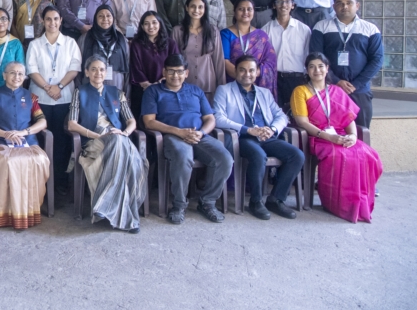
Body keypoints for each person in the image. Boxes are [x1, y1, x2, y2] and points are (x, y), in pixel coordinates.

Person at [142, 54, 233, 225]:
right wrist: (178, 132)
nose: (175, 76)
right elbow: (149, 121)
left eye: (179, 71)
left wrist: (202, 133)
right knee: (183, 157)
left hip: (198, 136)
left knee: (225, 158)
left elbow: (210, 118)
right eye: (171, 71)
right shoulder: (153, 91)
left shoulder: (196, 91)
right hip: (172, 136)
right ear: (164, 72)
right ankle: (179, 205)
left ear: (186, 73)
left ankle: (207, 202)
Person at [291, 52, 382, 222]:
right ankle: (336, 204)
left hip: (340, 135)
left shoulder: (337, 91)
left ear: (327, 69)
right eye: (312, 67)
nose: (317, 70)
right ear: (307, 70)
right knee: (339, 155)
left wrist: (353, 136)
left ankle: (359, 202)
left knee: (367, 154)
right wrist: (328, 137)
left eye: (320, 66)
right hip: (317, 138)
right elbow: (302, 122)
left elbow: (349, 118)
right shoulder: (300, 91)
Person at [213, 55, 304, 220]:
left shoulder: (264, 93)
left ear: (257, 73)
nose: (247, 74)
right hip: (242, 138)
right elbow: (218, 118)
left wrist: (272, 129)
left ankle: (276, 199)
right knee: (258, 155)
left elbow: (281, 116)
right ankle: (256, 201)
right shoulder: (224, 90)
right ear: (235, 71)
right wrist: (248, 130)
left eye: (251, 70)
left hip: (267, 137)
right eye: (242, 70)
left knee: (296, 155)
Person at [67, 56, 147, 232]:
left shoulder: (117, 93)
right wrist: (97, 135)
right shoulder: (80, 92)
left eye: (102, 69)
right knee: (128, 156)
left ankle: (104, 206)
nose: (98, 73)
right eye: (93, 69)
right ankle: (128, 217)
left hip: (119, 139)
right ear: (87, 72)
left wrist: (125, 133)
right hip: (94, 141)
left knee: (120, 144)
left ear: (106, 72)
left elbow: (131, 121)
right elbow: (72, 124)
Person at [0, 62, 50, 230]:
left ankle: (30, 211)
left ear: (25, 77)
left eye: (20, 74)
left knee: (40, 160)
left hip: (28, 143)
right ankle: (5, 214)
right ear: (4, 75)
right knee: (8, 162)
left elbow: (42, 121)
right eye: (12, 73)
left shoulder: (30, 97)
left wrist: (25, 132)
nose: (16, 77)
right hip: (1, 143)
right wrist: (4, 134)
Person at [26, 6, 82, 197]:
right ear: (42, 21)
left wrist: (59, 86)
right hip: (40, 99)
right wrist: (48, 88)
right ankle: (41, 181)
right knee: (41, 139)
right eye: (48, 19)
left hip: (64, 98)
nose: (52, 23)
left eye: (56, 19)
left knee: (62, 141)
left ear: (61, 21)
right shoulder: (35, 44)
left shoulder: (70, 43)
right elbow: (31, 70)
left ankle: (59, 182)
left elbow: (74, 68)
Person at [310, 0, 383, 128]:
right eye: (340, 3)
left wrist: (357, 84)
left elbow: (377, 59)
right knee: (330, 129)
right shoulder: (322, 26)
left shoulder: (370, 29)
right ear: (334, 7)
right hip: (329, 88)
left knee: (362, 130)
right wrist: (336, 81)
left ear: (357, 5)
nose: (344, 7)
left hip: (359, 90)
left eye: (349, 3)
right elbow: (316, 56)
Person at [263, 0, 311, 111]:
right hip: (274, 79)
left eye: (287, 1)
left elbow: (308, 56)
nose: (284, 5)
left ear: (292, 5)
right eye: (280, 1)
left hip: (297, 80)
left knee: (297, 115)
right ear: (274, 5)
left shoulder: (304, 30)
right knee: (275, 113)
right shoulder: (265, 30)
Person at [221, 0, 278, 98]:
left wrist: (251, 78)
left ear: (253, 12)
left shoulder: (261, 35)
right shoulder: (225, 34)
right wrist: (244, 80)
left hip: (257, 85)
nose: (245, 12)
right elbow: (225, 62)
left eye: (249, 9)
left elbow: (270, 62)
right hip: (233, 85)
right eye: (241, 9)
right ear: (234, 11)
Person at [171, 0, 225, 101]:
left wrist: (222, 87)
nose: (196, 10)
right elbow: (173, 60)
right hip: (184, 85)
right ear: (187, 8)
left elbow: (219, 61)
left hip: (208, 85)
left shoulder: (213, 31)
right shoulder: (177, 31)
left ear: (205, 9)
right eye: (193, 6)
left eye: (200, 7)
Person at [129, 11, 180, 120]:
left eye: (154, 22)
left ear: (160, 24)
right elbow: (135, 67)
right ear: (142, 26)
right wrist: (147, 85)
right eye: (146, 23)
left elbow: (175, 64)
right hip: (142, 89)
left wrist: (161, 82)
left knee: (164, 118)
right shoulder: (136, 44)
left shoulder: (170, 43)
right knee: (143, 120)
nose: (151, 26)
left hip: (165, 86)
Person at [77, 5, 130, 92]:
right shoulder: (85, 38)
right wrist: (79, 91)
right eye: (100, 16)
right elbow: (78, 66)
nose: (105, 19)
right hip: (89, 88)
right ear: (95, 19)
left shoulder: (121, 39)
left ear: (113, 18)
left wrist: (127, 93)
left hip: (116, 86)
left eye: (108, 16)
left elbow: (128, 66)